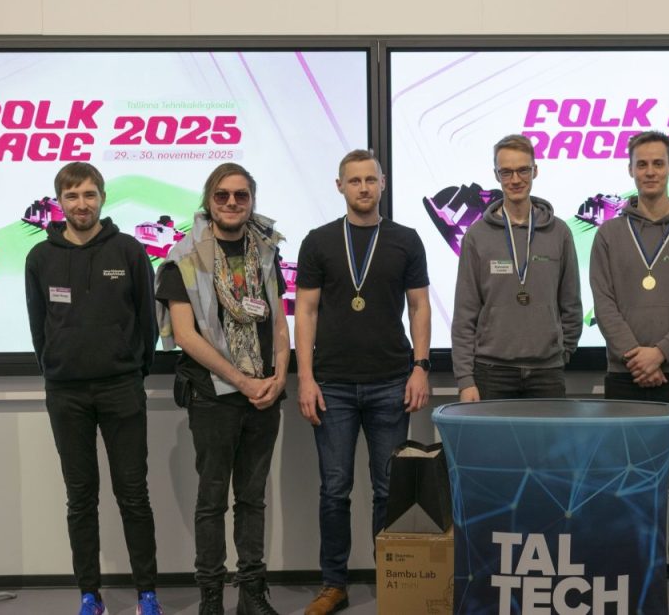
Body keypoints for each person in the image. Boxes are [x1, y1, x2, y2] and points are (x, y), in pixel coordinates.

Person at [589, 130, 669, 614]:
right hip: (624, 376)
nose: (650, 172)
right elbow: (603, 304)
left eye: (658, 163)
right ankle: (628, 566)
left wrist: (660, 354)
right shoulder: (608, 235)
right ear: (630, 170)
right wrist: (636, 356)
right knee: (623, 480)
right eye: (641, 164)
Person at [295, 149, 431, 615]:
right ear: (340, 186)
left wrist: (420, 367)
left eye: (370, 180)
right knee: (335, 489)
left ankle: (391, 581)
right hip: (331, 385)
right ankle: (334, 584)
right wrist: (305, 378)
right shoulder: (318, 241)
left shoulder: (405, 240)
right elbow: (305, 311)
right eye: (354, 181)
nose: (363, 188)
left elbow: (419, 306)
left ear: (383, 183)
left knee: (388, 489)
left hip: (391, 381)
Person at [25, 163, 164, 615]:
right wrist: (56, 367)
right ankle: (90, 594)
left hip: (121, 388)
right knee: (80, 498)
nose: (81, 204)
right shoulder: (40, 258)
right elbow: (38, 328)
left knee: (134, 495)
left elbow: (148, 321)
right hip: (66, 394)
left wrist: (132, 370)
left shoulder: (129, 250)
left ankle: (147, 594)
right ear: (60, 202)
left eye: (89, 194)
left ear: (102, 197)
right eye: (72, 196)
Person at [155, 163, 289, 615]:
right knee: (211, 501)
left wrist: (278, 377)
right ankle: (211, 597)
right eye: (222, 195)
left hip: (264, 395)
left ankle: (252, 594)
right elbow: (185, 335)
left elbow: (280, 321)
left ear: (251, 200)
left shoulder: (266, 250)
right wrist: (244, 381)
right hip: (213, 397)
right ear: (208, 201)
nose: (232, 203)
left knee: (252, 499)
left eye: (241, 195)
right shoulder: (184, 256)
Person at [452, 133, 582, 400]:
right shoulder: (477, 236)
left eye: (523, 170)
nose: (515, 179)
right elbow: (465, 313)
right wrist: (465, 379)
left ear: (535, 170)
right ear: (496, 175)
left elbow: (571, 303)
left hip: (547, 373)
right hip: (491, 372)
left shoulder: (559, 232)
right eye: (506, 172)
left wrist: (562, 351)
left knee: (549, 433)